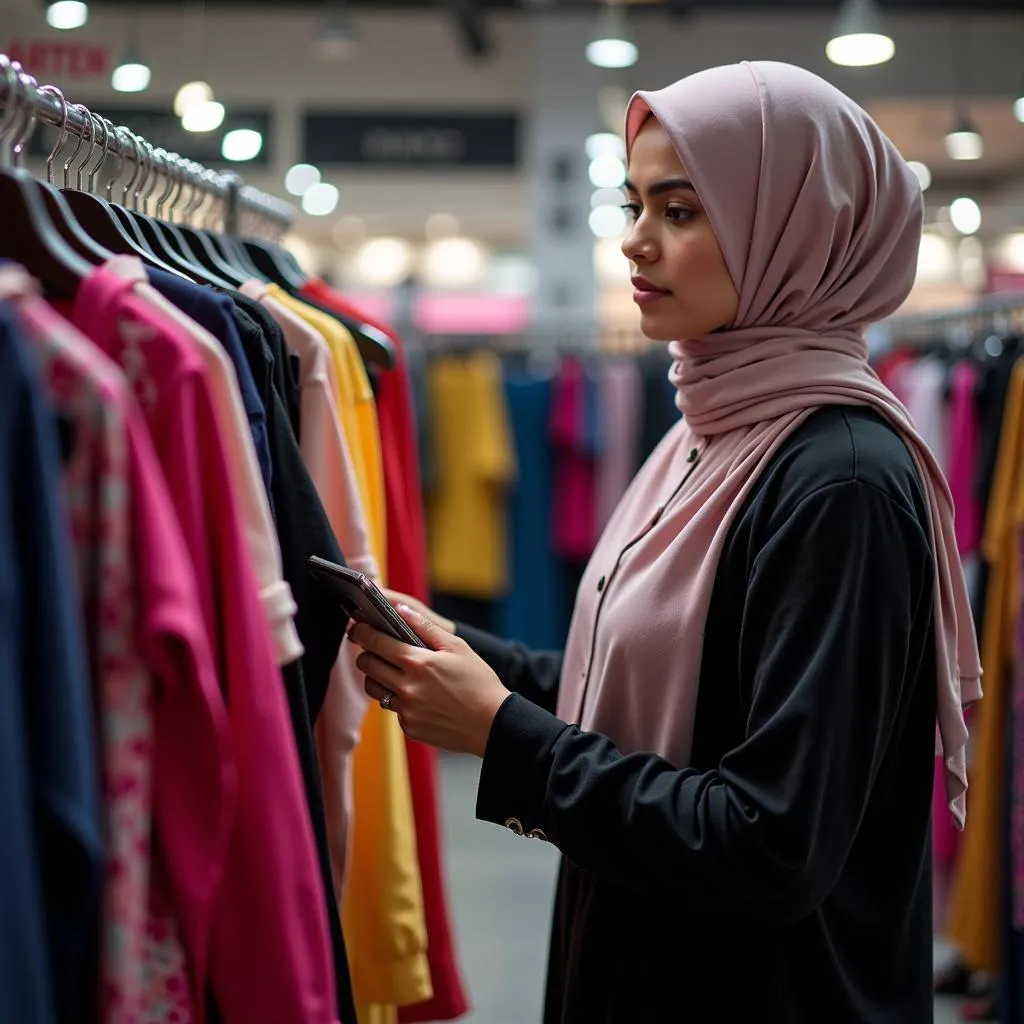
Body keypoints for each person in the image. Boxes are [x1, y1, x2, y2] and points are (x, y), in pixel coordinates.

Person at [347, 60, 982, 1023]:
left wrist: (504, 735)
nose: (634, 243)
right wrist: (478, 660)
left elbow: (772, 841)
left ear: (795, 231)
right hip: (653, 960)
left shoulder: (841, 479)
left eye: (680, 211)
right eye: (634, 205)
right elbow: (664, 687)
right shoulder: (710, 428)